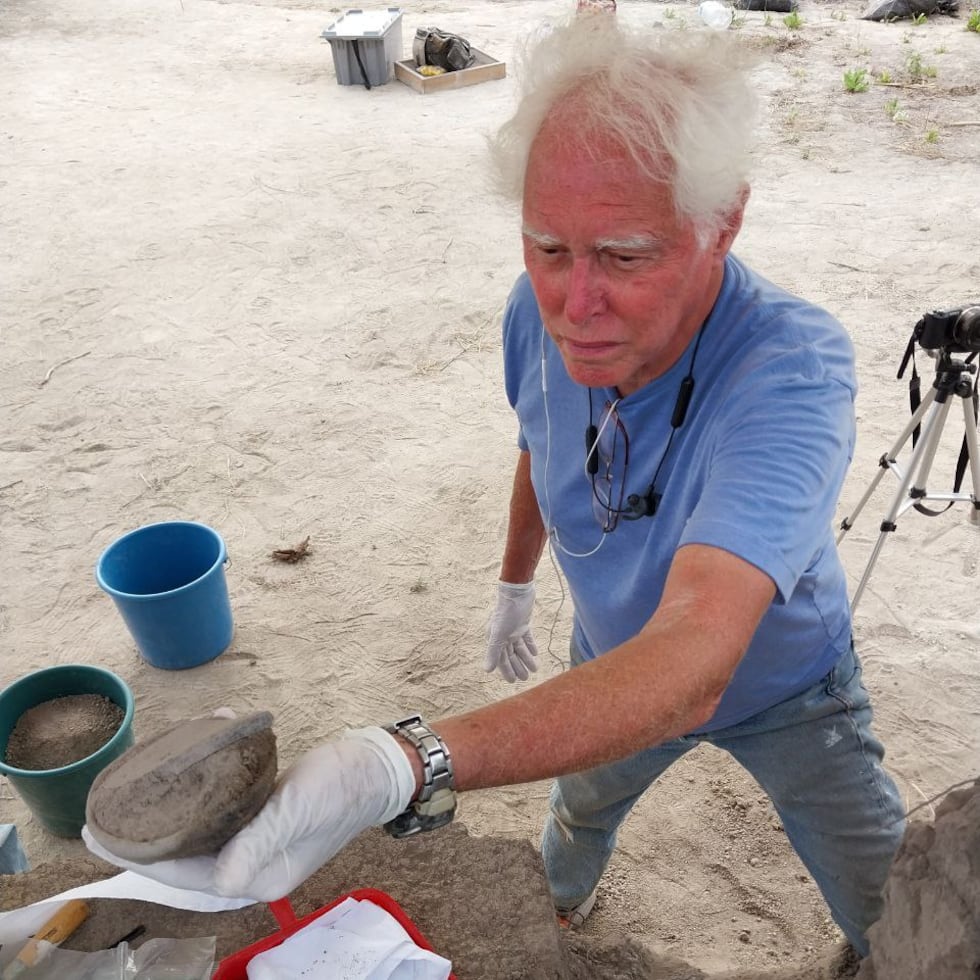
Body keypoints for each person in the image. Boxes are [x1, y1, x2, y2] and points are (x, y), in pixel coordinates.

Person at [84, 18, 906, 958]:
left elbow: (695, 656)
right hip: (607, 657)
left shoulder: (792, 370)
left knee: (884, 886)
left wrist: (404, 761)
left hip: (784, 684)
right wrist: (515, 588)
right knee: (579, 807)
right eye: (548, 247)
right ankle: (553, 902)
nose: (577, 305)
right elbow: (543, 445)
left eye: (627, 256)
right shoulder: (536, 313)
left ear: (725, 222)